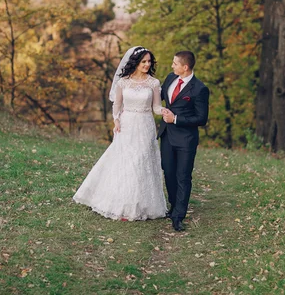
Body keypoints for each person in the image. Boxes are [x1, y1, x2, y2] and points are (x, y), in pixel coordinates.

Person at [73, 46, 167, 221]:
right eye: (143, 62)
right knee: (127, 163)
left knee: (141, 162)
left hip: (145, 125)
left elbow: (155, 107)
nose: (147, 64)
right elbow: (117, 105)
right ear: (135, 63)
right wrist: (116, 120)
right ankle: (122, 204)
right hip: (127, 125)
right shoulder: (123, 82)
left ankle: (141, 205)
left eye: (149, 62)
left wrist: (165, 112)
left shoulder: (153, 83)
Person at [158, 51, 210, 231]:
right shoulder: (170, 78)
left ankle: (178, 215)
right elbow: (158, 98)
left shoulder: (199, 89)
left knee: (183, 176)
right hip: (166, 136)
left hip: (186, 140)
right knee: (169, 173)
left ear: (185, 67)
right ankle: (173, 205)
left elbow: (202, 118)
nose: (172, 66)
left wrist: (176, 119)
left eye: (175, 63)